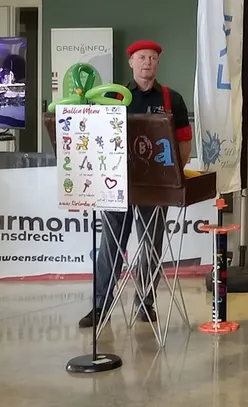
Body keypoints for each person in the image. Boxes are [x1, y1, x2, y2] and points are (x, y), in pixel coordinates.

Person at [79, 39, 192, 328]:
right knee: (110, 246)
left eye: (152, 58)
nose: (147, 63)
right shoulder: (114, 97)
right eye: (141, 57)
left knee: (151, 245)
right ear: (131, 62)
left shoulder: (171, 99)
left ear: (158, 63)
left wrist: (176, 175)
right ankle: (100, 305)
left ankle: (145, 303)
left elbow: (184, 140)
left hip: (155, 186)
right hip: (115, 184)